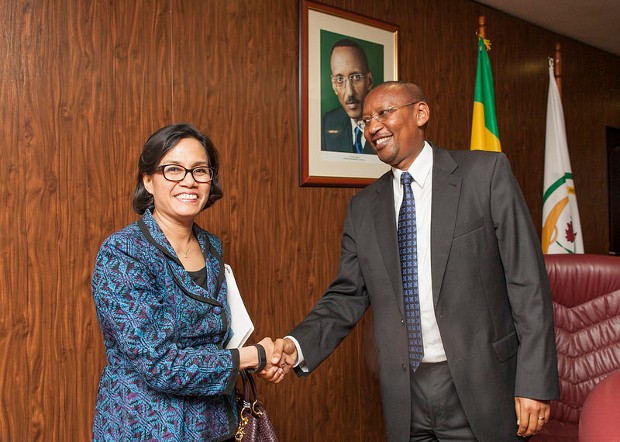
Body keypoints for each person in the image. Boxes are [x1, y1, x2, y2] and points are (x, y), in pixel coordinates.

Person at [263, 82, 560, 441]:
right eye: (366, 120)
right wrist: (297, 346)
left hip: (483, 384)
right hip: (406, 393)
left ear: (420, 113)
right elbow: (346, 296)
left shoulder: (485, 174)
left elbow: (527, 282)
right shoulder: (363, 208)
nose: (372, 127)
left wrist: (535, 382)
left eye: (384, 113)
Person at [91, 123, 282, 441]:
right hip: (147, 427)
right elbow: (159, 363)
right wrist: (253, 356)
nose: (189, 181)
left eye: (199, 171)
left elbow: (215, 342)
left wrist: (256, 361)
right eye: (173, 170)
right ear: (148, 180)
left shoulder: (212, 247)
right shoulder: (123, 252)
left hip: (216, 425)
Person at [322, 38, 375, 154]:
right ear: (334, 85)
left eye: (356, 77)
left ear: (369, 81)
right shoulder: (328, 122)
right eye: (340, 79)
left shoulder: (387, 125)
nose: (350, 92)